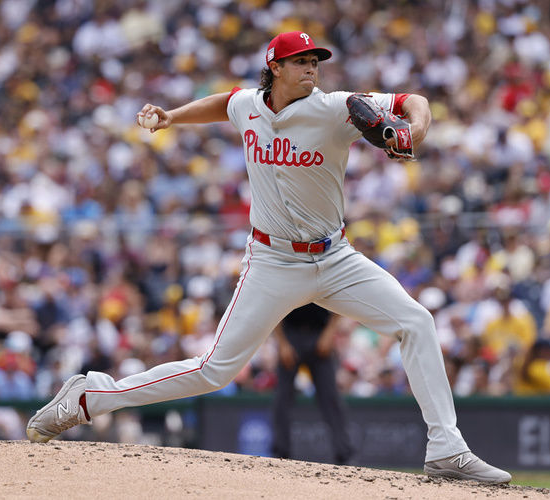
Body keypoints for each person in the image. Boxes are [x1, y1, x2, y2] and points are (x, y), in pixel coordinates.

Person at [26, 31, 511, 484]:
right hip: (272, 262)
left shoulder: (338, 108)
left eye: (315, 61)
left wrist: (415, 131)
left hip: (335, 257)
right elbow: (224, 103)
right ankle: (91, 395)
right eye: (300, 62)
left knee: (417, 321)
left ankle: (446, 449)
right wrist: (173, 116)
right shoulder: (249, 106)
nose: (311, 69)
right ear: (275, 68)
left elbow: (412, 103)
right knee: (214, 370)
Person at [271, 304, 352, 465]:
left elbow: (338, 300)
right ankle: (281, 454)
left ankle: (344, 454)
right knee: (282, 397)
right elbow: (273, 306)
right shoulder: (287, 278)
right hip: (290, 333)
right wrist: (282, 342)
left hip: (319, 332)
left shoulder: (322, 276)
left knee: (330, 397)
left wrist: (329, 333)